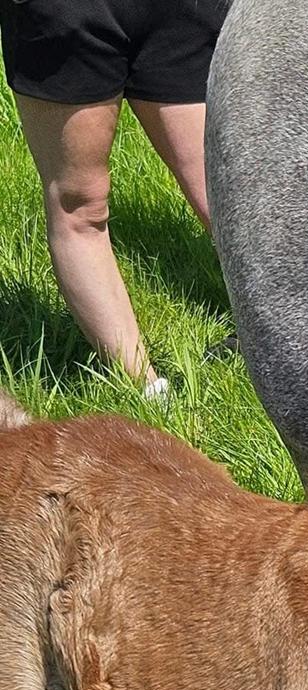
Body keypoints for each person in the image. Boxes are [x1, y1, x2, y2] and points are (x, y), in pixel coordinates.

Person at [0, 0, 228, 396]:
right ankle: (148, 391)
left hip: (180, 12)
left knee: (226, 194)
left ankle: (289, 337)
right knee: (80, 206)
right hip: (66, 16)